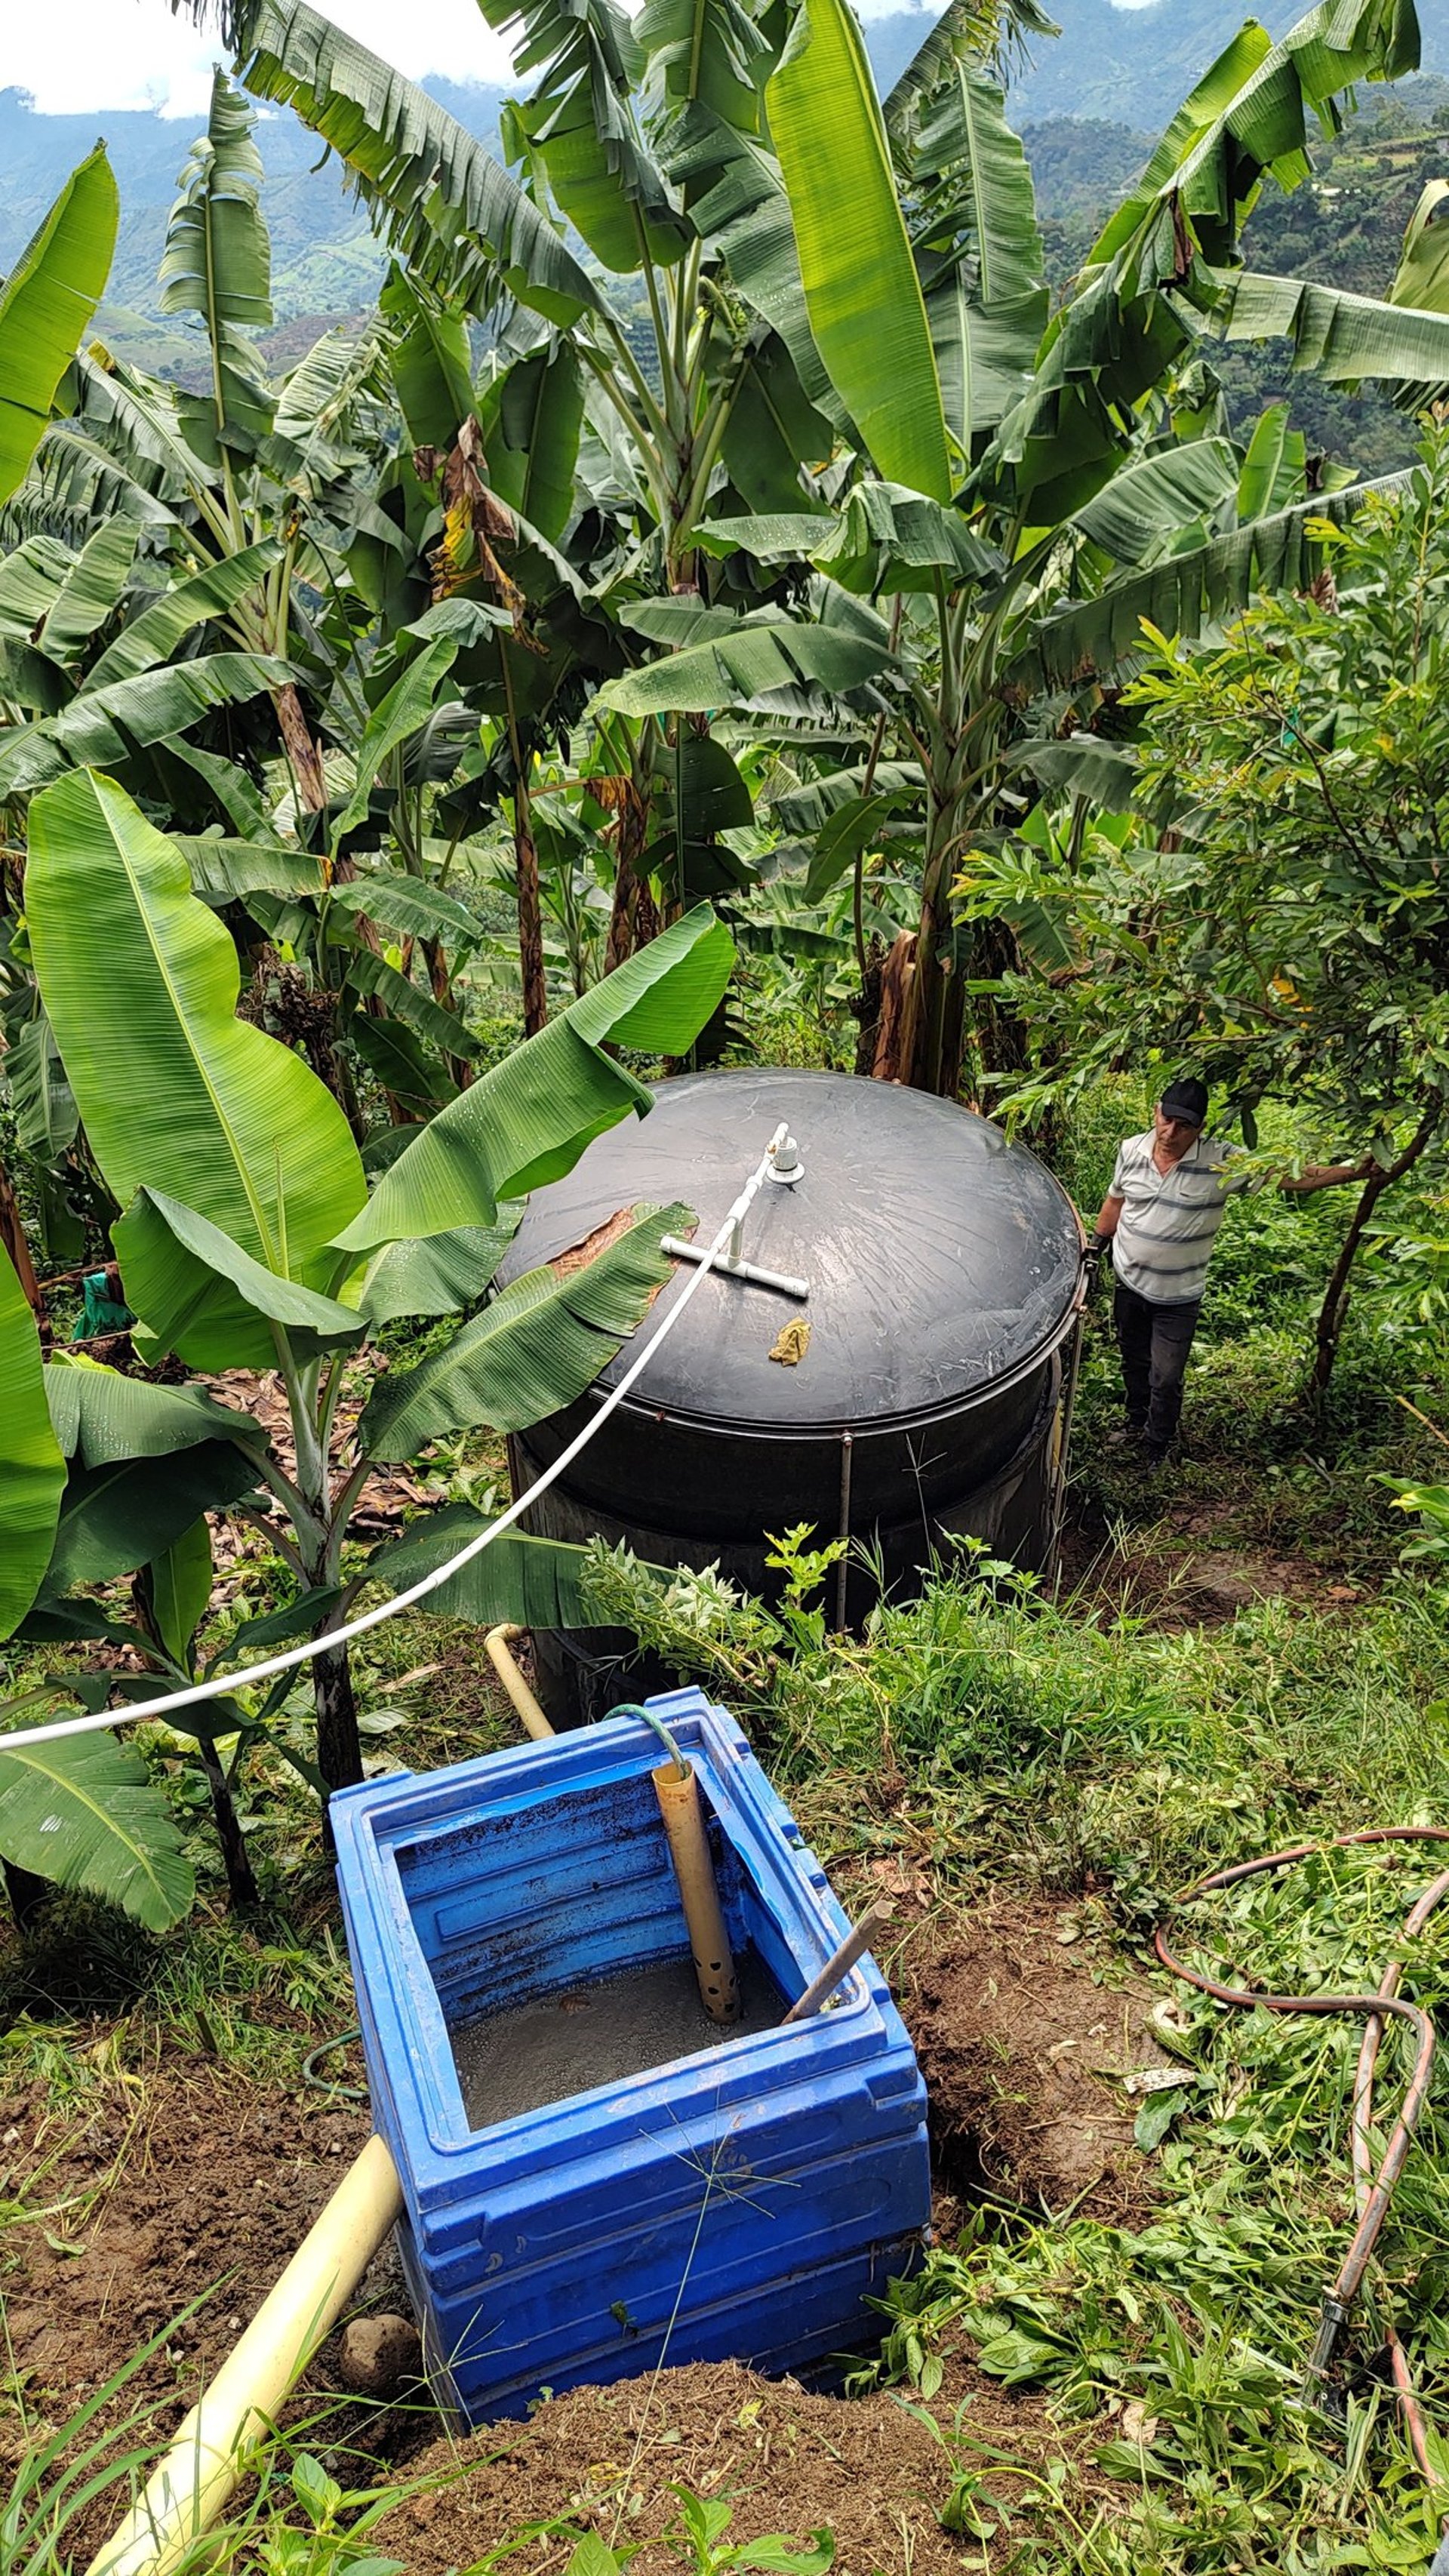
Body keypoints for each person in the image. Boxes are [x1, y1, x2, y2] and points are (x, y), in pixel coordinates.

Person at [1085, 1078, 1369, 1465]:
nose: (1170, 1133)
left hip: (1178, 1296)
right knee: (1133, 1359)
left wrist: (1356, 1171)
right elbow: (1115, 1201)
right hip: (1129, 1282)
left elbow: (1292, 1176)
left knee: (1166, 1377)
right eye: (1166, 1120)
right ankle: (1136, 1423)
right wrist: (1096, 1247)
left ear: (1200, 1128)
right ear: (1156, 1112)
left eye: (1184, 1126)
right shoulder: (1130, 1150)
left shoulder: (1223, 1162)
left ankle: (1157, 1444)